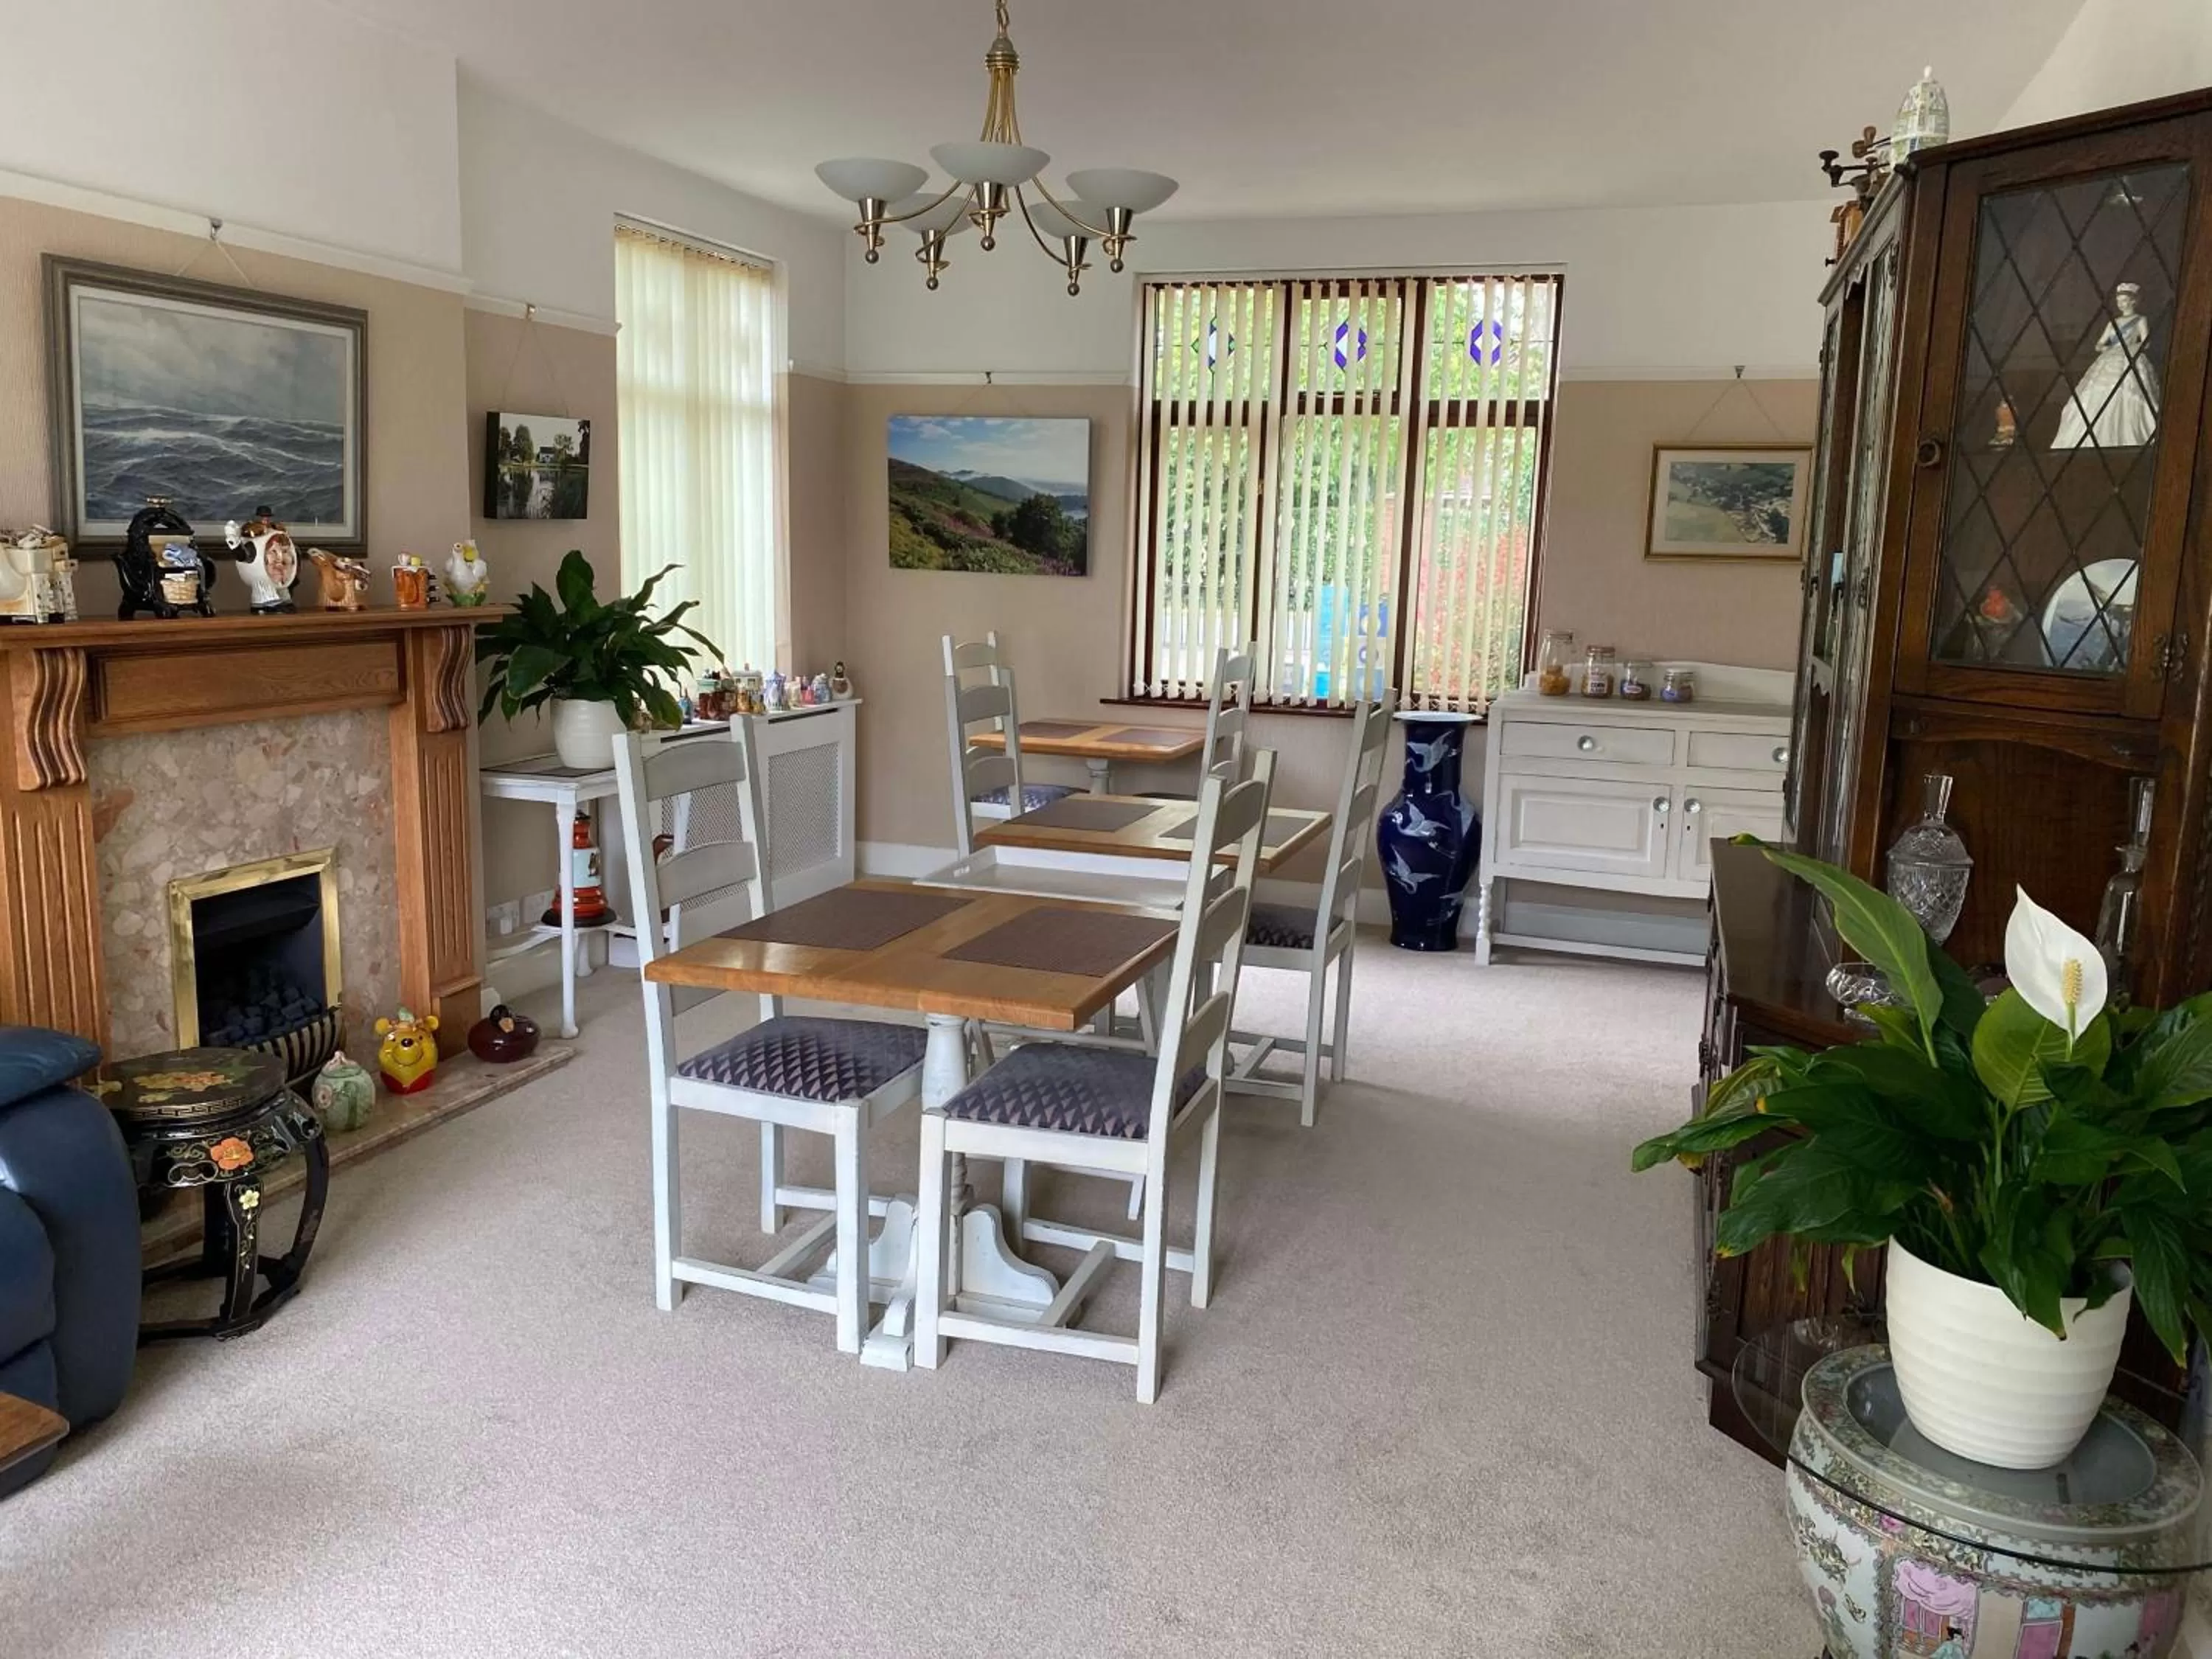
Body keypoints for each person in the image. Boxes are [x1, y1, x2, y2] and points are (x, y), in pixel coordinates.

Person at [2053, 283, 2160, 449]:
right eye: (2119, 301)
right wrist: (2108, 348)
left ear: (2133, 302)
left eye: (2125, 301)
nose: (2122, 304)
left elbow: (2146, 343)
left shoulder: (2140, 320)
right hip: (2110, 359)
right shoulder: (2114, 323)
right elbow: (2099, 345)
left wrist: (2130, 348)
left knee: (2128, 393)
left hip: (2130, 358)